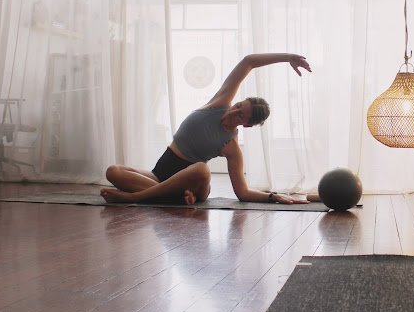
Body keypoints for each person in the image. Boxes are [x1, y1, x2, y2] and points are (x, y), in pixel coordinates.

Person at [101, 53, 312, 205]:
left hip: (194, 182)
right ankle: (171, 197)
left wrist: (273, 196)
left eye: (240, 115)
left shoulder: (231, 146)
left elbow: (243, 192)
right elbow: (248, 62)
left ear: (246, 124)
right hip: (160, 174)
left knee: (202, 168)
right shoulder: (219, 102)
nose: (234, 111)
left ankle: (135, 197)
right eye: (239, 105)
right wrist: (287, 57)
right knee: (114, 171)